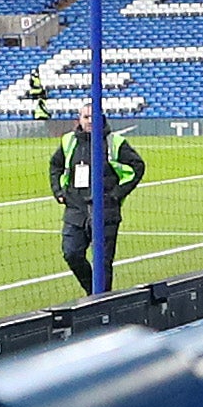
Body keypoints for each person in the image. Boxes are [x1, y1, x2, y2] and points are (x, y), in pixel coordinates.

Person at [49, 121, 148, 289]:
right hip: (76, 209)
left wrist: (117, 194)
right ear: (79, 119)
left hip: (105, 209)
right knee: (72, 253)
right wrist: (58, 192)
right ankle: (92, 292)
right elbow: (55, 165)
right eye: (85, 116)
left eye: (92, 116)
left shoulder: (114, 142)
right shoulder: (69, 141)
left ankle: (102, 302)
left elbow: (137, 166)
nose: (89, 120)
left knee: (102, 262)